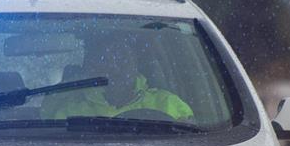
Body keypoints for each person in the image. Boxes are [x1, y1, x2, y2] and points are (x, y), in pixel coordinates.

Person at [41, 33, 193, 120]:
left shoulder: (168, 104)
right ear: (91, 67)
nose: (114, 67)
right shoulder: (70, 112)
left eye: (122, 58)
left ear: (136, 62)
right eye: (104, 60)